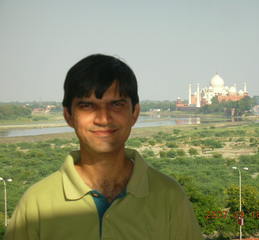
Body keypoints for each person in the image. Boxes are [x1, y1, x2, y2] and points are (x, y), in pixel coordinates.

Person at [5, 54, 203, 240]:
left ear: (134, 112)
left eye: (116, 104)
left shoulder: (168, 196)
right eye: (87, 106)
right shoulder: (37, 203)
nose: (103, 118)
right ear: (68, 115)